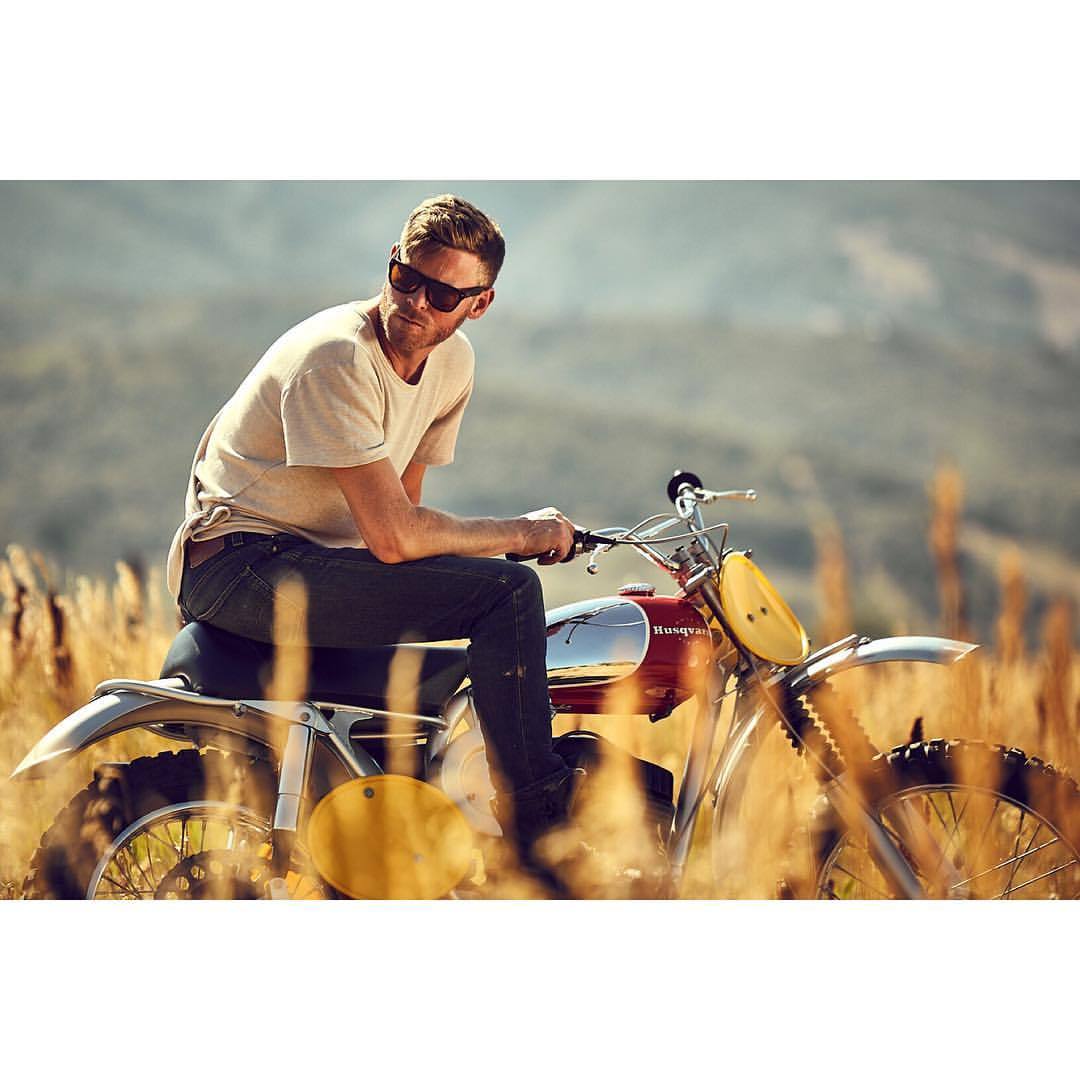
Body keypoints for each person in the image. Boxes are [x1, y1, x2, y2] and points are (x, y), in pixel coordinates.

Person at [164, 193, 579, 892]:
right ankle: (543, 838)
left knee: (443, 681)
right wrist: (524, 535)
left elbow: (403, 515)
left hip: (314, 564)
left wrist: (481, 542)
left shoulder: (453, 367)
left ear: (479, 304)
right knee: (509, 594)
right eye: (405, 277)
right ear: (391, 264)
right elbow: (394, 537)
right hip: (241, 565)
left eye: (443, 292)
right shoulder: (335, 359)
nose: (417, 301)